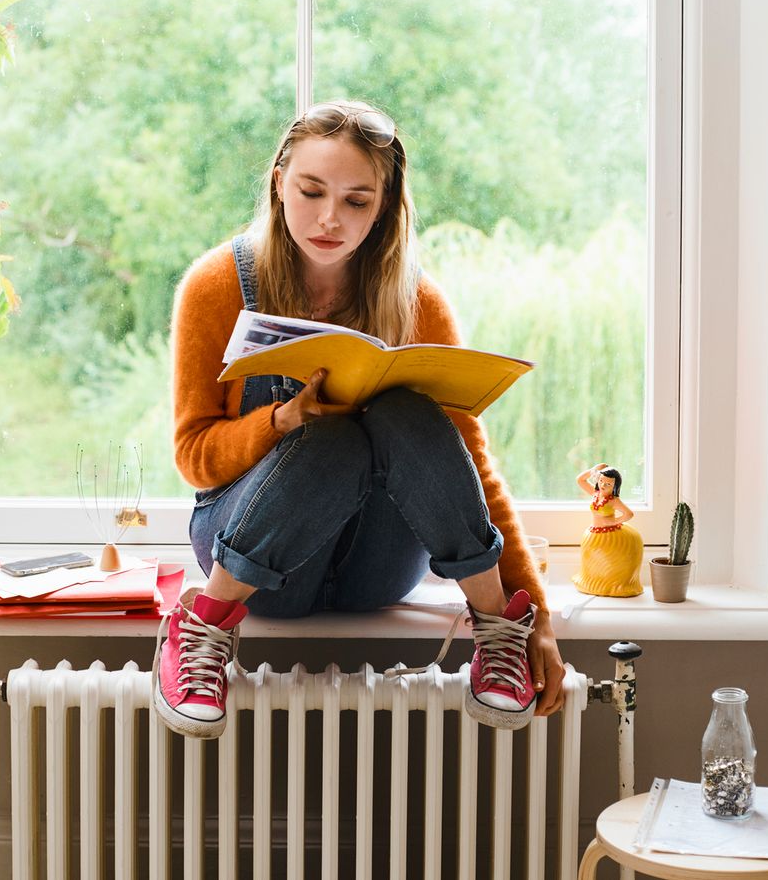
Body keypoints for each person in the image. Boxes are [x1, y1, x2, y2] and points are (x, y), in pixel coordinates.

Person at [153, 100, 566, 739]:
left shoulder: (417, 300)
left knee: (405, 411)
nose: (329, 219)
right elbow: (193, 455)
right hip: (254, 558)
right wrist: (282, 420)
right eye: (311, 191)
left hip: (377, 569)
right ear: (277, 183)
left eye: (357, 201)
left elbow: (467, 463)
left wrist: (535, 613)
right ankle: (204, 624)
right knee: (331, 438)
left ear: (385, 206)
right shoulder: (217, 286)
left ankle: (496, 629)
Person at [572, 463, 644, 597]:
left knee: (611, 562)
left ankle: (616, 586)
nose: (603, 486)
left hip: (610, 535)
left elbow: (629, 514)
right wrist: (595, 469)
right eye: (601, 481)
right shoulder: (595, 493)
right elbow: (580, 480)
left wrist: (613, 521)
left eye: (608, 484)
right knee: (594, 562)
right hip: (594, 533)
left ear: (615, 487)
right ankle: (593, 583)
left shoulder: (614, 501)